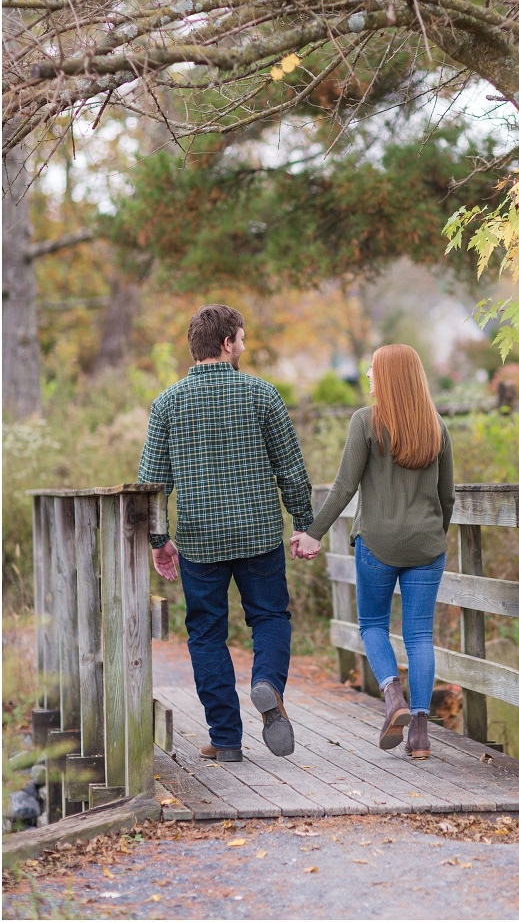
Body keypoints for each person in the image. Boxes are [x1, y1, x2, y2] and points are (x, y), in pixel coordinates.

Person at [138, 304, 320, 763]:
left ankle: (225, 739)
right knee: (270, 618)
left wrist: (159, 541)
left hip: (200, 540)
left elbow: (151, 483)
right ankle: (267, 685)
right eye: (241, 338)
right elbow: (293, 472)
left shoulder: (168, 403)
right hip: (258, 533)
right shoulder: (263, 395)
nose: (243, 345)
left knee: (206, 634)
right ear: (226, 344)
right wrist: (303, 523)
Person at [293, 344, 454, 760]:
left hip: (377, 544)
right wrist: (433, 537)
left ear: (389, 377)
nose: (367, 374)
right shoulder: (436, 426)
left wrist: (313, 533)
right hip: (426, 546)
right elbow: (447, 497)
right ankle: (419, 733)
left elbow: (344, 486)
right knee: (420, 636)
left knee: (372, 625)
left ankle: (392, 696)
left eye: (373, 368)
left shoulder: (365, 422)